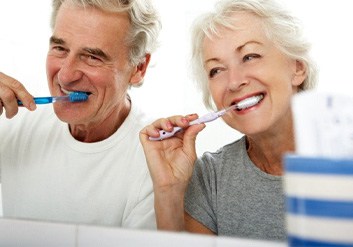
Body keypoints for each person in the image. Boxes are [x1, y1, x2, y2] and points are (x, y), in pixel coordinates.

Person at [140, 0, 317, 241]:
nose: (234, 82)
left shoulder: (343, 158)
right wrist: (169, 191)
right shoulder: (208, 177)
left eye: (250, 56)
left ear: (297, 68)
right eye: (216, 70)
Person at [0, 0, 161, 229]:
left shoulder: (156, 159)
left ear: (138, 68)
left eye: (93, 57)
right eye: (60, 49)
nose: (65, 76)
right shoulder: (13, 121)